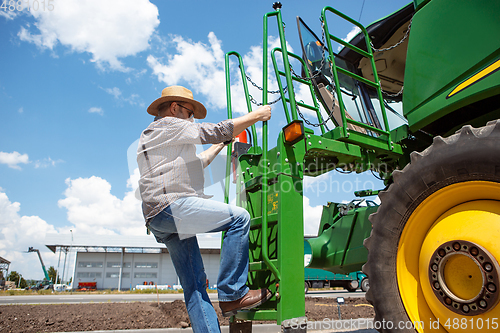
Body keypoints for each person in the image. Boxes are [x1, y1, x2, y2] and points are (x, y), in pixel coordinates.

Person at [137, 85, 272, 333]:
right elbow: (215, 130)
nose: (191, 119)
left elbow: (200, 161)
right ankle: (233, 293)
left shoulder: (156, 136)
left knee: (195, 286)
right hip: (172, 206)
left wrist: (222, 144)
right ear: (175, 108)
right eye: (190, 113)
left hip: (158, 218)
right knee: (239, 218)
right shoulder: (168, 124)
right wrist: (256, 116)